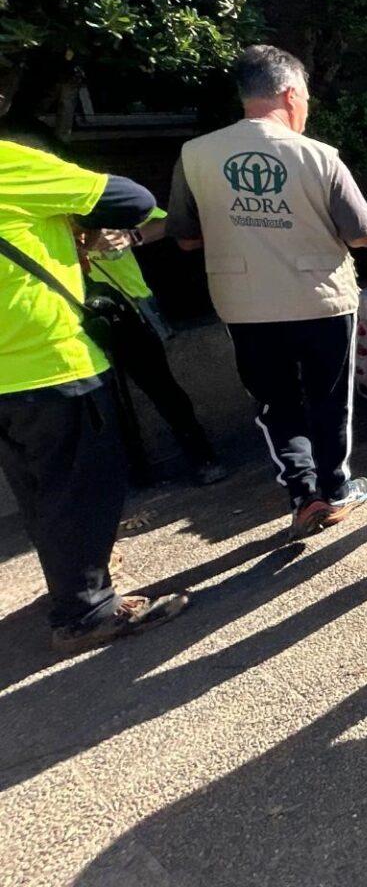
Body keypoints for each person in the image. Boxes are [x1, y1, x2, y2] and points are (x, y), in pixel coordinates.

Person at [168, 45, 367, 539]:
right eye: (305, 97)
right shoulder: (320, 156)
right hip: (320, 299)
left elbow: (185, 236)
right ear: (289, 93)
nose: (306, 108)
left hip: (245, 305)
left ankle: (303, 494)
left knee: (275, 405)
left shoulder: (195, 155)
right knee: (330, 400)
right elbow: (363, 235)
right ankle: (335, 488)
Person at [0, 138, 190, 651]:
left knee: (42, 493)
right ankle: (86, 612)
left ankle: (71, 590)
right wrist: (70, 208)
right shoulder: (9, 165)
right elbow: (129, 198)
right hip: (48, 364)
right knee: (83, 490)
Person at [83, 214, 227, 487]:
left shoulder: (98, 197)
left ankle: (202, 456)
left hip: (128, 307)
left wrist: (130, 236)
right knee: (97, 400)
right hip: (71, 315)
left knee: (162, 389)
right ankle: (129, 473)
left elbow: (170, 221)